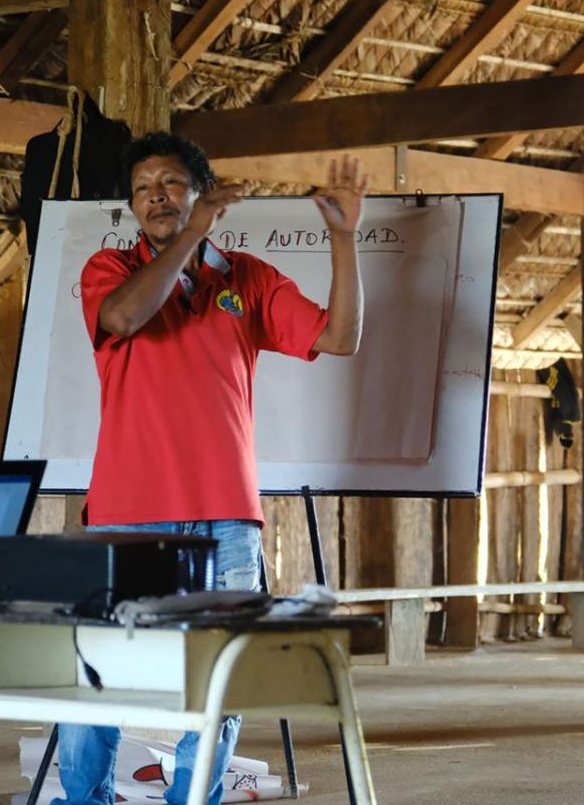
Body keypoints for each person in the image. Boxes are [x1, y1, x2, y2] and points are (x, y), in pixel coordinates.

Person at [51, 132, 366, 805]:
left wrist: (344, 238)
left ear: (202, 188)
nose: (156, 196)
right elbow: (128, 315)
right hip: (126, 516)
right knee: (95, 675)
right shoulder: (110, 271)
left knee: (219, 682)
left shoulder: (246, 278)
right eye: (143, 188)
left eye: (171, 182)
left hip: (226, 520)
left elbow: (340, 336)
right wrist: (193, 233)